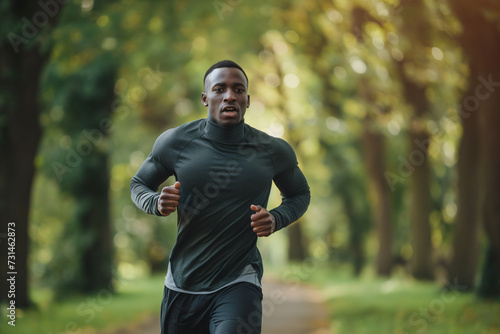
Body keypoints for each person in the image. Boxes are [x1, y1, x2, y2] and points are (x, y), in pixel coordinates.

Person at [130, 59, 310, 334]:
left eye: (238, 90)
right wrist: (155, 202)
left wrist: (276, 218)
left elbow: (299, 194)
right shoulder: (175, 142)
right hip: (182, 283)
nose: (230, 96)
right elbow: (139, 184)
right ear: (205, 97)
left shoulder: (272, 150)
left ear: (248, 100)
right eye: (220, 89)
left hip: (239, 280)